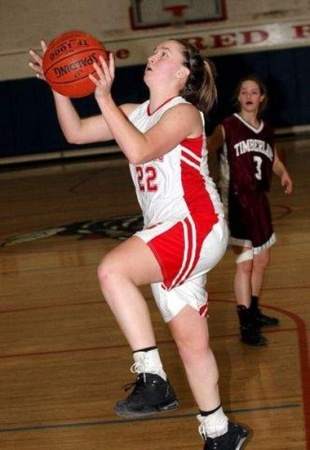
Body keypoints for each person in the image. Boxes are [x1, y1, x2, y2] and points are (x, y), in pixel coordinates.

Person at [29, 38, 249, 449]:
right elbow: (76, 133)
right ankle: (220, 431)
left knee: (113, 270)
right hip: (171, 234)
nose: (153, 56)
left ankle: (153, 378)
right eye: (154, 51)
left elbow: (140, 150)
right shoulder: (134, 113)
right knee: (192, 344)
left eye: (165, 54)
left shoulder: (184, 113)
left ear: (183, 73)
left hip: (194, 225)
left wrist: (103, 97)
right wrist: (60, 87)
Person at [208, 75, 293, 347]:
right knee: (244, 265)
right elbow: (206, 146)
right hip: (235, 202)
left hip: (259, 201)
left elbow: (274, 157)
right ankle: (245, 326)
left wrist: (283, 174)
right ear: (239, 97)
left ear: (261, 98)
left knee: (262, 260)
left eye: (253, 92)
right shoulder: (228, 126)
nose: (248, 95)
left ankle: (254, 311)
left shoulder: (266, 128)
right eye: (243, 91)